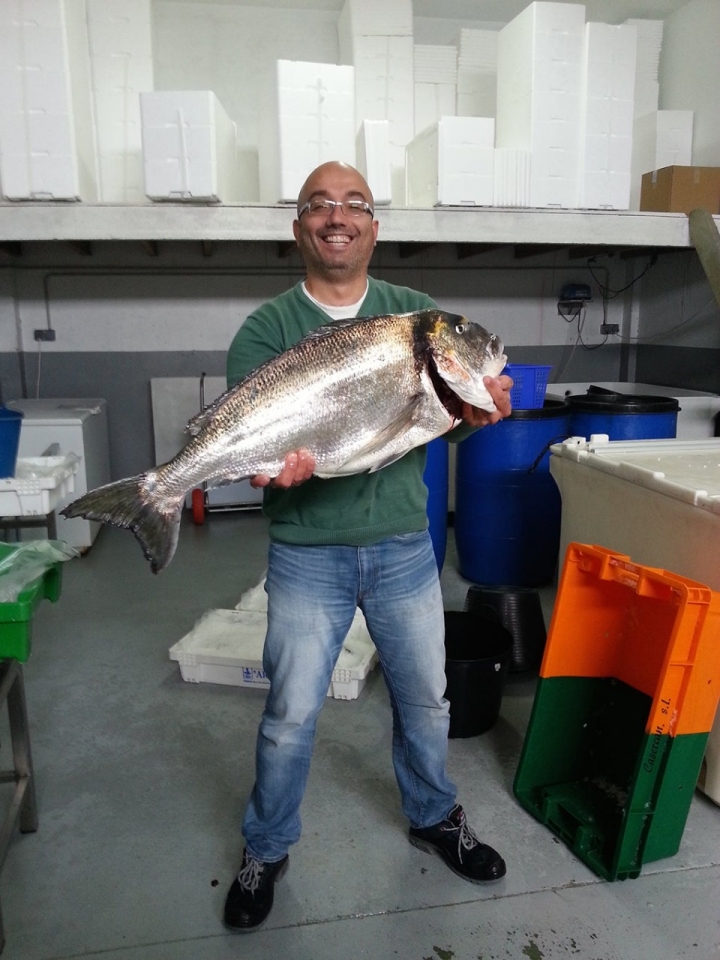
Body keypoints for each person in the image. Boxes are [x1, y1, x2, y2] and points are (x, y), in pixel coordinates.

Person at [223, 161, 513, 933]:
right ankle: (266, 846)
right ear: (299, 230)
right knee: (288, 715)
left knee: (426, 701)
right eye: (320, 205)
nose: (337, 216)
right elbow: (258, 456)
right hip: (306, 550)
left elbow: (459, 400)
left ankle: (432, 813)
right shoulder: (265, 330)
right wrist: (272, 472)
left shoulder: (417, 316)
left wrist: (483, 402)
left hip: (401, 549)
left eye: (354, 204)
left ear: (374, 228)